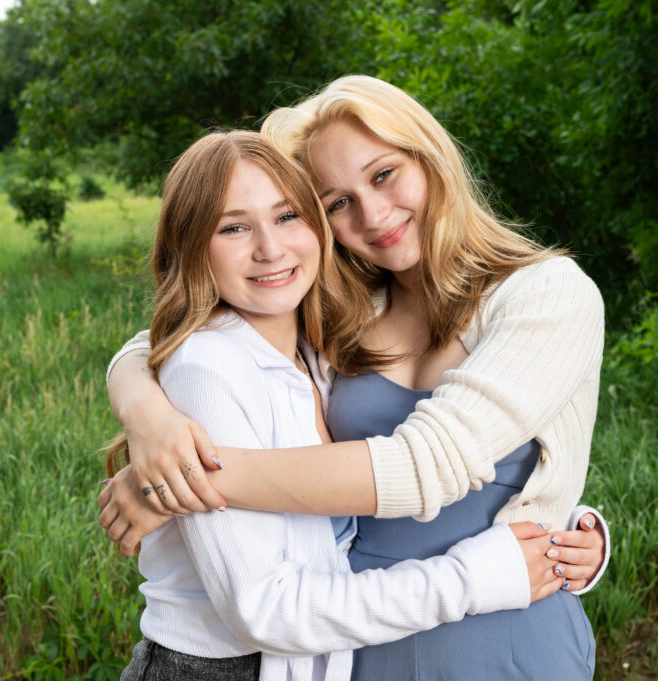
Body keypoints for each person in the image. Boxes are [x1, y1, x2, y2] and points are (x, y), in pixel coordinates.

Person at [101, 76, 609, 678]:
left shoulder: (545, 296)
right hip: (358, 633)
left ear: (431, 158)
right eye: (336, 202)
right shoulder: (344, 308)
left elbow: (426, 466)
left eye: (384, 174)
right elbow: (180, 332)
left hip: (505, 625)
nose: (372, 213)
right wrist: (145, 410)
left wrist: (184, 478)